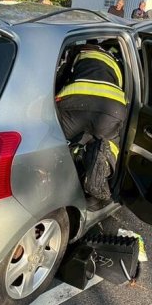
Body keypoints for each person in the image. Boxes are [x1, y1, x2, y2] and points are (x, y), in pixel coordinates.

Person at [55, 44, 127, 206]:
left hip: (75, 99)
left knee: (58, 142)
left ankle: (55, 175)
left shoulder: (79, 52)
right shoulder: (116, 60)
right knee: (110, 142)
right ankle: (101, 163)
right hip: (112, 107)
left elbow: (60, 76)